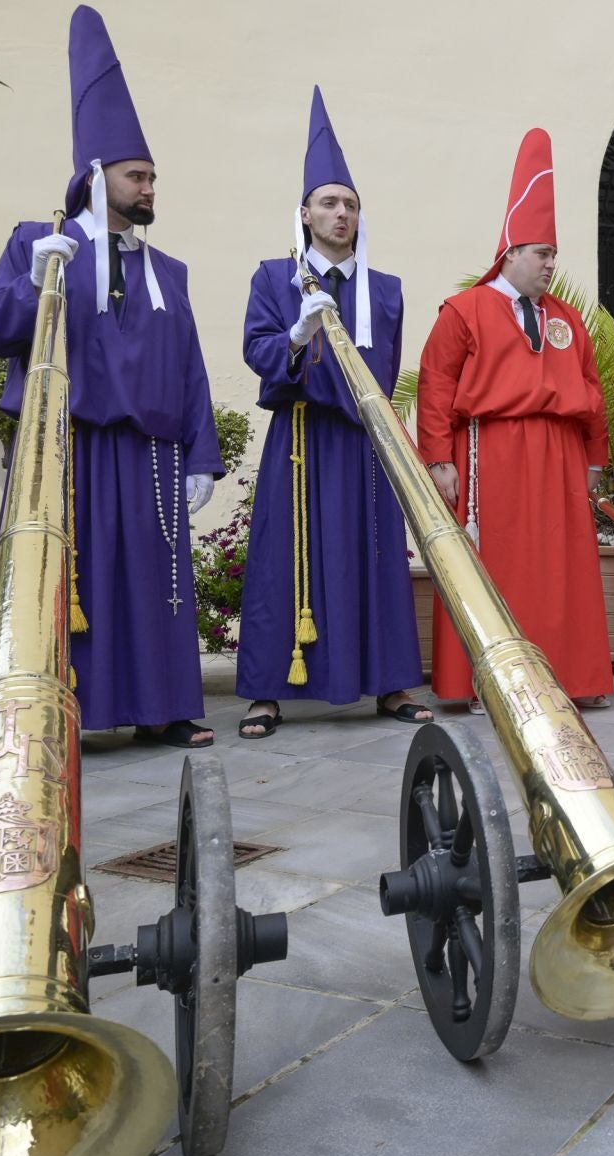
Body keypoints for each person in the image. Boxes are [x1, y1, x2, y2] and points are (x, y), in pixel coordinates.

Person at [0, 4, 220, 747]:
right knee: (62, 579)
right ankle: (57, 714)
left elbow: (191, 367)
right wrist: (36, 278)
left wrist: (202, 456)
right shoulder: (37, 242)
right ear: (97, 174)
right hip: (66, 448)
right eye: (138, 175)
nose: (149, 187)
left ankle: (164, 711)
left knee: (155, 586)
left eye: (152, 176)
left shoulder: (166, 270)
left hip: (150, 454)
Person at [234, 87, 428, 739]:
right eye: (329, 203)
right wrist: (295, 336)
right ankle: (267, 691)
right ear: (306, 213)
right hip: (301, 437)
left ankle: (390, 682)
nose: (340, 213)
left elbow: (387, 366)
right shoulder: (272, 278)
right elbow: (258, 350)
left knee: (375, 553)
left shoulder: (388, 292)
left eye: (350, 204)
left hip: (365, 443)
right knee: (283, 556)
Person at [414, 128, 613, 712]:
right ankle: (490, 679)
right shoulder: (465, 310)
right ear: (511, 253)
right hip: (490, 451)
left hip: (560, 454)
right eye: (542, 254)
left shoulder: (567, 319)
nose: (552, 264)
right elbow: (435, 387)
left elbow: (593, 393)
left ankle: (569, 677)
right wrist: (439, 459)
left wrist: (596, 458)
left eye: (554, 255)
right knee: (497, 565)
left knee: (561, 566)